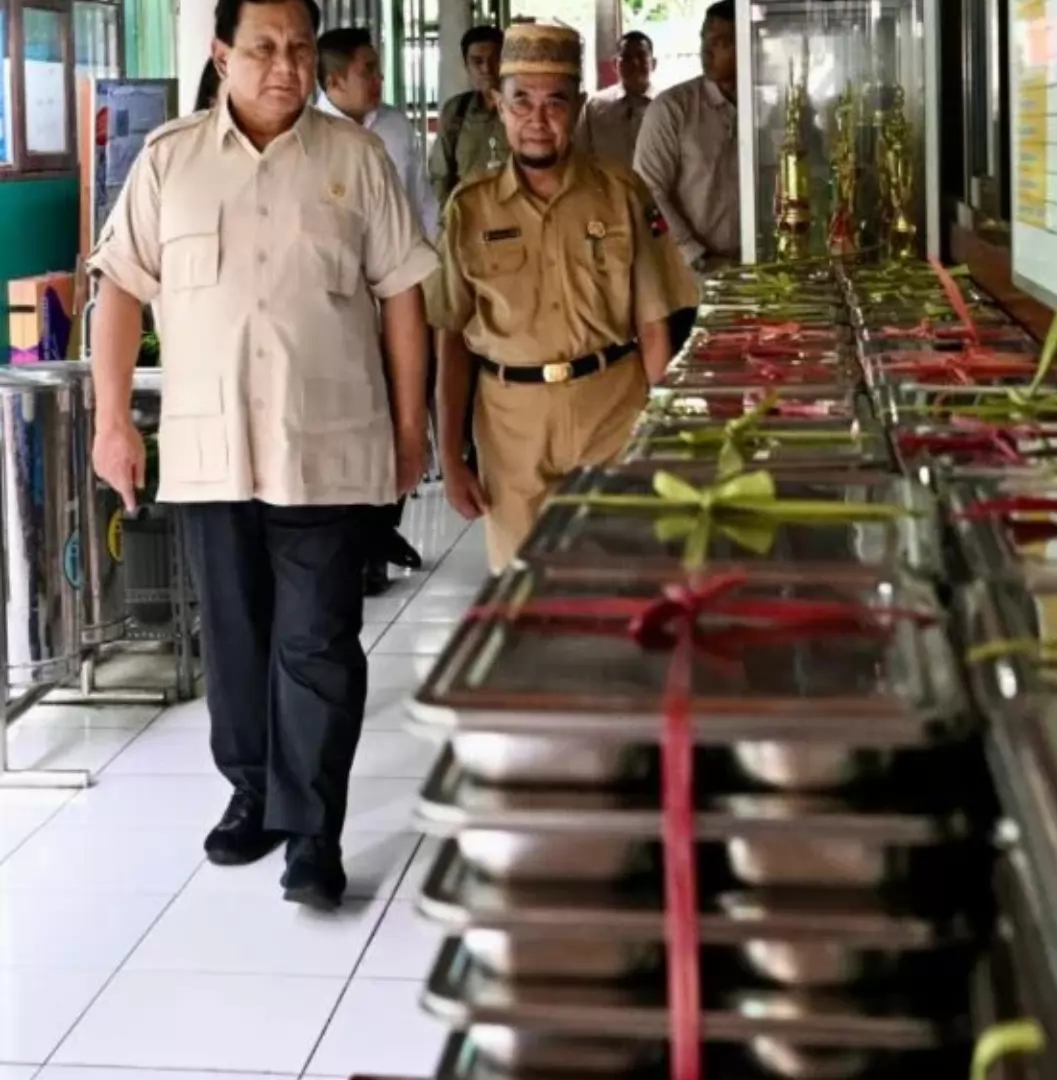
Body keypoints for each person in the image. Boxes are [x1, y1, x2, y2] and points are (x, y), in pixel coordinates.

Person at [87, 0, 436, 908]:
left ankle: (314, 833)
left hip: (330, 445)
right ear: (221, 54)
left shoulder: (355, 159)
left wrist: (412, 429)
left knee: (318, 641)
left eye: (301, 49)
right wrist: (111, 421)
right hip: (210, 452)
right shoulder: (170, 160)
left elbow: (404, 296)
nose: (286, 66)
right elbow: (119, 286)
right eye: (265, 48)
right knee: (235, 638)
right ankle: (252, 793)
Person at [434, 23, 698, 571]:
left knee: (620, 580)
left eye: (555, 102)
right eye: (521, 101)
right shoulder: (469, 209)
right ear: (498, 105)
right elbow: (451, 339)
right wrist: (451, 457)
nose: (538, 119)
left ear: (578, 106)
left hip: (612, 411)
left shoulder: (621, 193)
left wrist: (667, 434)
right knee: (525, 588)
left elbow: (654, 326)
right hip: (511, 427)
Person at [316, 26, 436, 593]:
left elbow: (421, 202)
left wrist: (430, 272)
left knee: (402, 402)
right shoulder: (307, 134)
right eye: (368, 70)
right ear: (335, 79)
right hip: (342, 304)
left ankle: (382, 530)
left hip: (400, 292)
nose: (379, 79)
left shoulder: (395, 127)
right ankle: (359, 543)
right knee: (357, 415)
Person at [635, 0, 740, 349]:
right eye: (704, 39)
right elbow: (648, 190)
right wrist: (697, 254)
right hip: (689, 282)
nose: (706, 52)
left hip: (756, 272)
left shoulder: (767, 104)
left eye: (721, 42)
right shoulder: (673, 108)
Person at [431, 25, 507, 206]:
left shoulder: (522, 110)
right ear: (467, 66)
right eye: (477, 61)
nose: (486, 68)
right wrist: (448, 215)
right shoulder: (456, 111)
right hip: (467, 214)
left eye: (494, 59)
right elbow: (440, 175)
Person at [576, 30, 655, 169]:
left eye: (641, 56)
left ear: (653, 63)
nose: (635, 63)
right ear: (615, 64)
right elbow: (580, 153)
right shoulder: (594, 106)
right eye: (627, 57)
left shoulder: (666, 105)